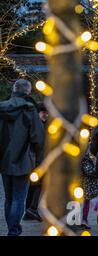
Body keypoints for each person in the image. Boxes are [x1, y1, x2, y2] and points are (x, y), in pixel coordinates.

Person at [0, 79, 44, 236]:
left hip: (4, 160)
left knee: (9, 198)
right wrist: (39, 161)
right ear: (28, 92)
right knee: (19, 198)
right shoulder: (30, 109)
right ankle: (14, 231)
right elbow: (38, 138)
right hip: (23, 160)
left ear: (14, 89)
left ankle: (13, 229)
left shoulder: (2, 108)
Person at [23, 102, 48, 222]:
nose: (45, 115)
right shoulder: (36, 125)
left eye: (46, 113)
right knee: (38, 185)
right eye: (43, 112)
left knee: (33, 187)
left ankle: (29, 211)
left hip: (37, 160)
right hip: (35, 160)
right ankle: (32, 209)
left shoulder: (43, 124)